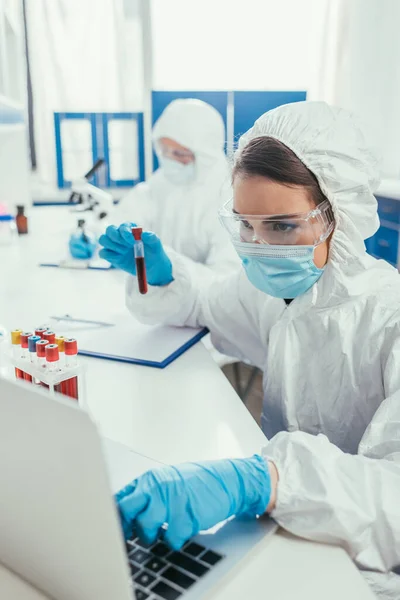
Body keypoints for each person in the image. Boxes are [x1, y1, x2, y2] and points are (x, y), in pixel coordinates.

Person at [99, 101, 400, 599]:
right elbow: (206, 304)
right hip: (291, 533)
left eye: (281, 227)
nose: (258, 246)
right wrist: (165, 272)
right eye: (245, 226)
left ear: (338, 217)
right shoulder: (277, 294)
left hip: (364, 567)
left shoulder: (387, 320)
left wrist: (266, 480)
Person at [74, 98, 238, 283]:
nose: (169, 160)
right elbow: (124, 219)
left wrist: (171, 270)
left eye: (179, 153)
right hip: (156, 298)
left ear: (205, 153)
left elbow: (227, 278)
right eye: (163, 150)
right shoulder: (161, 183)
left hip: (208, 306)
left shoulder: (230, 197)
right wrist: (94, 235)